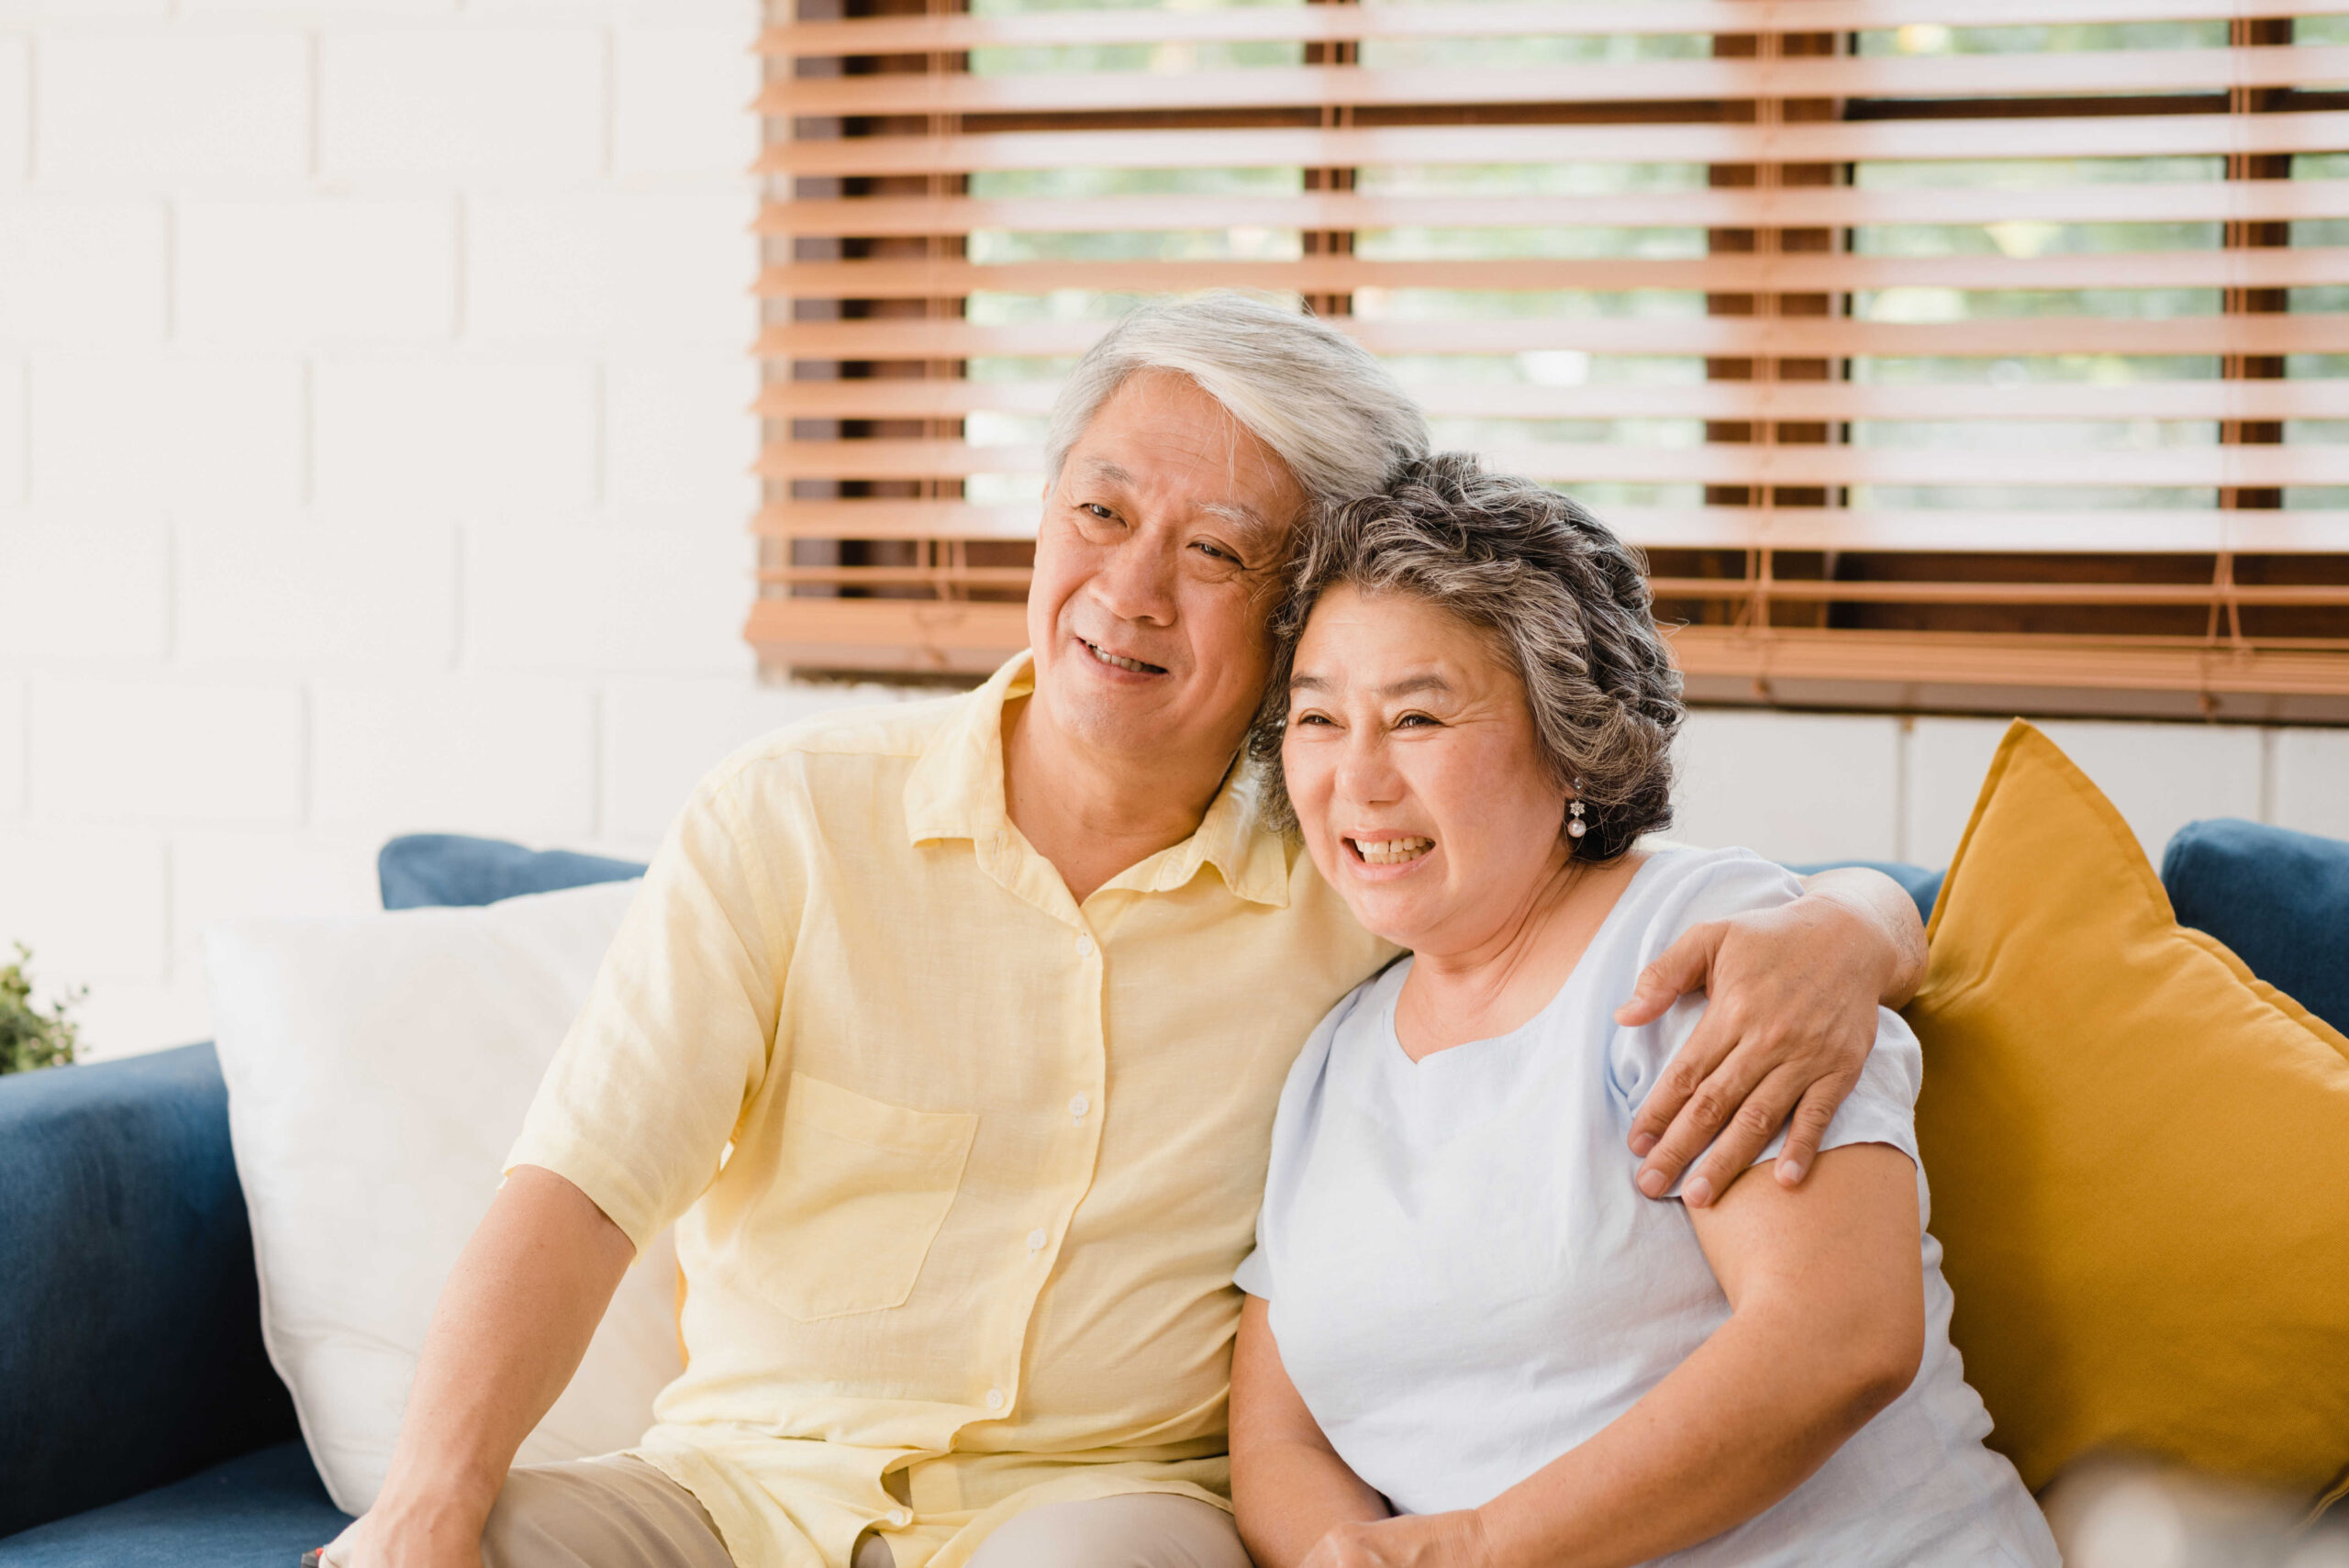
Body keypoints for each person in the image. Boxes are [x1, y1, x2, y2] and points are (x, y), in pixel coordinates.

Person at [331, 295, 1935, 1568]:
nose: (1131, 587)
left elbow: (1630, 902)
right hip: (737, 1492)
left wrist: (1850, 925)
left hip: (1098, 1510)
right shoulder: (792, 817)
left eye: (1219, 550)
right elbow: (581, 1185)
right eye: (1099, 510)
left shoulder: (1363, 859)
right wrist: (426, 1498)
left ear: (1305, 606)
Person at [1229, 454, 2059, 1568]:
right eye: (1318, 718)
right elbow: (1277, 1429)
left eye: (1417, 717)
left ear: (1566, 736)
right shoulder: (1333, 1059)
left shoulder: (1706, 944)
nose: (1356, 777)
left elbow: (1839, 1335)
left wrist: (1474, 1550)